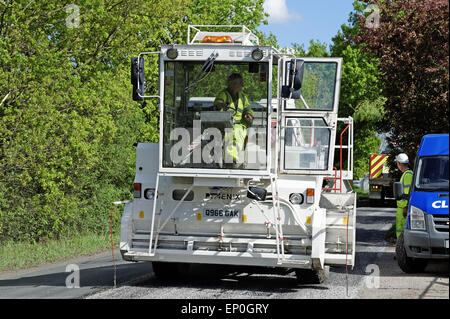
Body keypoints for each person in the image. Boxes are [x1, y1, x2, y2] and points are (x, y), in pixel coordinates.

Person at [213, 73, 253, 165]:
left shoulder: (242, 97)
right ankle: (230, 158)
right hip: (224, 123)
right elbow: (217, 104)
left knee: (238, 132)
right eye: (241, 83)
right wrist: (220, 105)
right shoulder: (223, 94)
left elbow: (248, 109)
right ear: (233, 84)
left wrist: (249, 115)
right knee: (233, 133)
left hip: (238, 124)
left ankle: (231, 158)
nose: (243, 85)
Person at [395, 153, 414, 239]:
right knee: (400, 229)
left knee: (402, 230)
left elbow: (408, 193)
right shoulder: (406, 174)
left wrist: (406, 207)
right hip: (402, 208)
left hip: (404, 208)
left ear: (399, 163)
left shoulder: (408, 175)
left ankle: (402, 248)